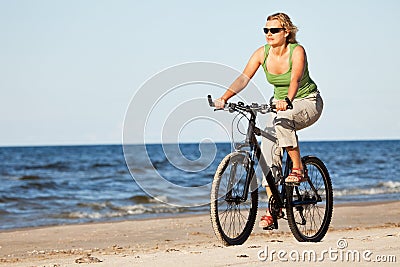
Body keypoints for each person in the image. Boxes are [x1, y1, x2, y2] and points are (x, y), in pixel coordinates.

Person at [214, 12, 323, 228]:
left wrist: (287, 100)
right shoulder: (261, 54)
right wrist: (225, 98)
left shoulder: (297, 51)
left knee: (282, 119)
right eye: (266, 30)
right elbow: (244, 78)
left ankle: (298, 168)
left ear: (286, 32)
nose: (269, 34)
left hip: (307, 102)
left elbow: (295, 79)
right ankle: (275, 206)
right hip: (279, 104)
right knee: (267, 148)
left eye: (274, 30)